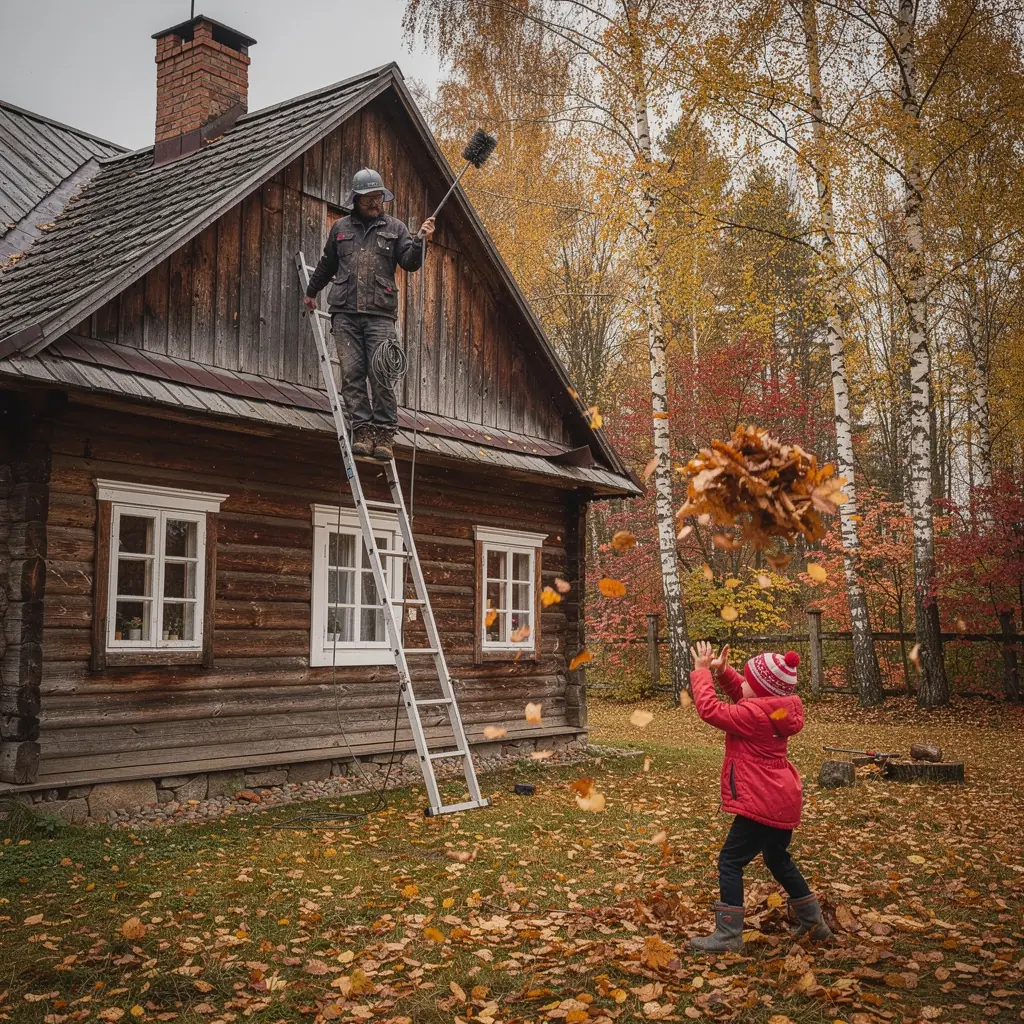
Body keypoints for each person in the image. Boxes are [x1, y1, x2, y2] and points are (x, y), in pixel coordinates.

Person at [687, 640, 832, 952]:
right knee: (777, 859)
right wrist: (725, 672)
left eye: (748, 682)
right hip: (781, 799)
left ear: (761, 690)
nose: (743, 686)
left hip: (762, 802)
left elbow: (710, 710)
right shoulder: (777, 710)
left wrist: (701, 673)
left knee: (730, 861)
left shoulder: (753, 716)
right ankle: (814, 923)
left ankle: (728, 936)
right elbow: (746, 691)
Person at [304, 169, 435, 461]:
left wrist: (421, 242)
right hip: (345, 314)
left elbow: (410, 263)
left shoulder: (397, 228)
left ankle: (385, 434)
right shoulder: (340, 228)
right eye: (370, 198)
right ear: (357, 199)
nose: (376, 203)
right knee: (352, 374)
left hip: (380, 315)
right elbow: (327, 264)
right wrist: (311, 292)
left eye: (379, 197)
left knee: (382, 374)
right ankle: (362, 430)